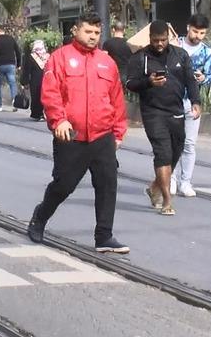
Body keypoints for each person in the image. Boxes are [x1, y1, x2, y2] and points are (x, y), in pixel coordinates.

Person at [26, 13, 129, 253]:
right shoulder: (60, 58)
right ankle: (40, 217)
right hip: (71, 135)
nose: (93, 37)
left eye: (96, 33)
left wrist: (118, 132)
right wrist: (59, 120)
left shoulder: (107, 62)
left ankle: (104, 236)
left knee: (107, 184)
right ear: (76, 30)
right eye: (88, 31)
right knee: (64, 185)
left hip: (102, 135)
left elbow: (116, 99)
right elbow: (50, 93)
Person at [126, 20, 201, 216]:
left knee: (175, 153)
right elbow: (130, 83)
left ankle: (154, 188)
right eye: (155, 40)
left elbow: (190, 80)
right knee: (162, 154)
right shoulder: (140, 57)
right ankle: (167, 200)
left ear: (168, 38)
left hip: (176, 111)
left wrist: (196, 101)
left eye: (163, 40)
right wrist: (148, 82)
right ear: (149, 38)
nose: (159, 44)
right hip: (153, 113)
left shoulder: (180, 55)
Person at [172, 15, 211, 197]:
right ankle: (171, 179)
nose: (197, 36)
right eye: (195, 31)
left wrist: (203, 78)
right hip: (172, 101)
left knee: (189, 144)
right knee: (172, 142)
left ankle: (186, 182)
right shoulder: (175, 45)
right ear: (188, 28)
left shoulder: (207, 53)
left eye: (202, 33)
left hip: (192, 102)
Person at [0, 25, 22, 112]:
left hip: (0, 65)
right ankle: (15, 103)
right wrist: (19, 64)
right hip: (11, 64)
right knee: (12, 84)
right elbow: (18, 51)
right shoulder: (11, 39)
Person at [21, 40, 50, 121]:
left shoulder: (31, 57)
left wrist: (24, 82)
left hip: (35, 80)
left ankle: (37, 114)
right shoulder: (47, 56)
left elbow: (27, 70)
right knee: (45, 96)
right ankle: (45, 113)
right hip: (47, 79)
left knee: (36, 97)